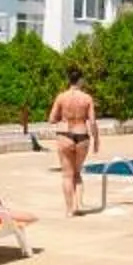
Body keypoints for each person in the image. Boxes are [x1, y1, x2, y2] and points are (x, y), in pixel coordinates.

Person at [48, 67, 99, 215]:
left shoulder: (61, 97)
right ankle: (77, 206)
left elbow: (51, 119)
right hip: (82, 135)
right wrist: (96, 140)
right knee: (77, 173)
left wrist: (62, 118)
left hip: (64, 134)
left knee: (67, 175)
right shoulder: (87, 98)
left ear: (69, 80)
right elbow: (93, 122)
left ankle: (69, 210)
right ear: (80, 80)